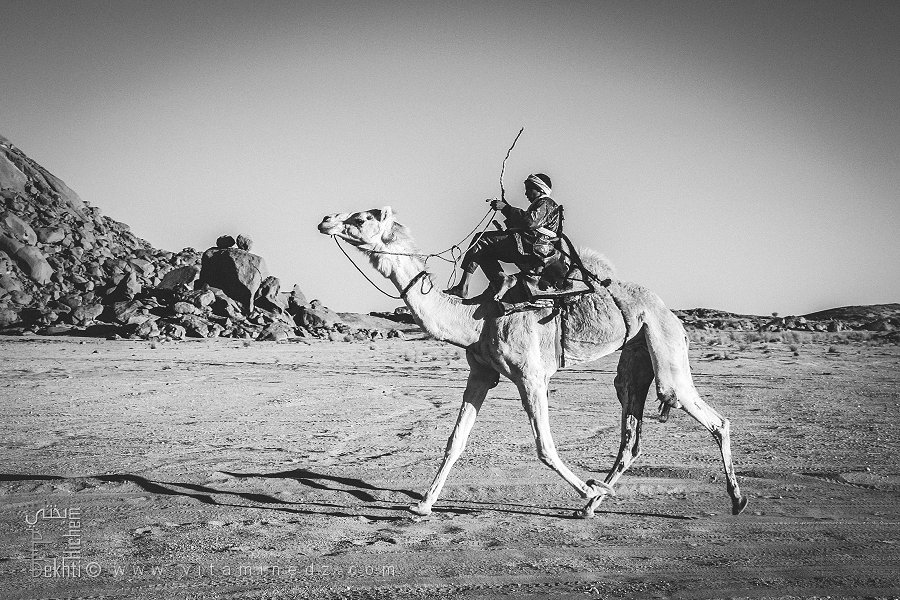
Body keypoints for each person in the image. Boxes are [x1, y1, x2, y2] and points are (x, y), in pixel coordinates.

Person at [446, 173, 562, 300]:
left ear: (540, 189)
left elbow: (530, 222)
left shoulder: (546, 203)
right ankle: (501, 280)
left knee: (481, 240)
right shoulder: (543, 205)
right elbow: (526, 222)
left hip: (530, 246)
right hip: (529, 245)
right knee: (483, 253)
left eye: (529, 189)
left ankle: (463, 287)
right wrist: (505, 209)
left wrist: (506, 208)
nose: (526, 194)